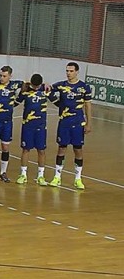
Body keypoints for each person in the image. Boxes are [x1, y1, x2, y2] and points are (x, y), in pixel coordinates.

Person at [49, 62, 92, 190]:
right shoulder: (61, 85)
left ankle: (78, 178)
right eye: (67, 71)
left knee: (78, 150)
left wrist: (89, 123)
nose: (68, 73)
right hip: (64, 123)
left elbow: (88, 105)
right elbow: (48, 90)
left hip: (78, 123)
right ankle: (57, 177)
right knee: (61, 148)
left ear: (77, 72)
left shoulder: (84, 87)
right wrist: (58, 104)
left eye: (71, 71)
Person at [15, 74, 50, 186]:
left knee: (41, 150)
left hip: (41, 126)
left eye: (37, 86)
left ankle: (41, 176)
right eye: (34, 86)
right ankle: (23, 175)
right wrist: (20, 91)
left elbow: (58, 101)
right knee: (26, 149)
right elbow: (15, 103)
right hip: (28, 126)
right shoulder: (25, 90)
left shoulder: (45, 90)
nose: (36, 88)